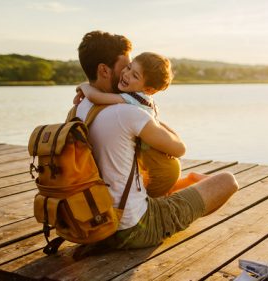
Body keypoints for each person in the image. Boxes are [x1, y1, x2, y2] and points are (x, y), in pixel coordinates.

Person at [73, 30, 238, 250]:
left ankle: (183, 191)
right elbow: (179, 148)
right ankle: (179, 206)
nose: (126, 74)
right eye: (125, 67)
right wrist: (149, 114)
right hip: (131, 227)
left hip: (94, 224)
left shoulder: (79, 108)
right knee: (227, 181)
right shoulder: (128, 113)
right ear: (104, 70)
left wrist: (85, 87)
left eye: (132, 71)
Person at [76, 51, 208, 198]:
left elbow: (96, 97)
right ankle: (192, 179)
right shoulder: (146, 99)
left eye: (135, 76)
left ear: (149, 89)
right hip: (160, 163)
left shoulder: (131, 99)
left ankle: (195, 181)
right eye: (128, 68)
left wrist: (84, 86)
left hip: (156, 167)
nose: (126, 74)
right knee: (165, 191)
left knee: (158, 193)